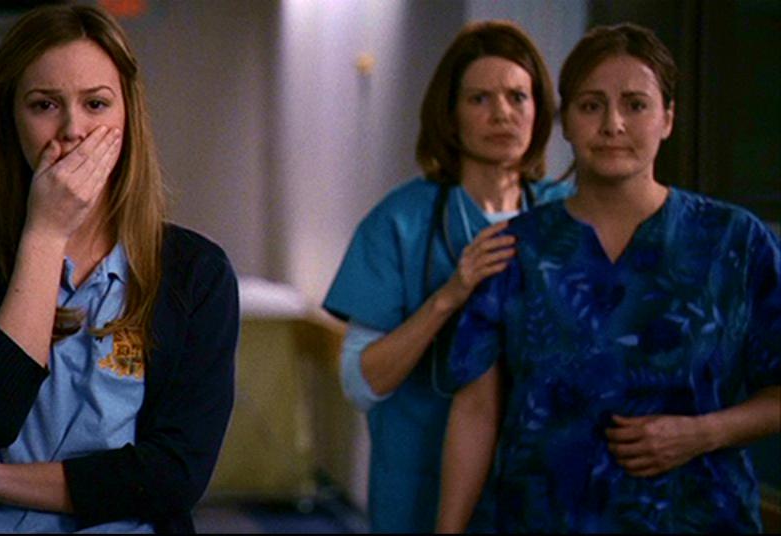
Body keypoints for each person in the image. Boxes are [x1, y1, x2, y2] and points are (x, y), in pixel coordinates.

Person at [437, 22, 781, 533]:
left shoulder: (734, 242)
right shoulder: (515, 249)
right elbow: (476, 410)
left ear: (667, 118)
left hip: (698, 515)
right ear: (566, 123)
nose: (612, 124)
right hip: (542, 519)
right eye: (591, 105)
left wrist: (703, 433)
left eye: (635, 105)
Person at [0, 5, 239, 533]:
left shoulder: (197, 273)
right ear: (11, 118)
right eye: (44, 105)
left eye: (96, 104)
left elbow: (174, 475)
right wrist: (45, 234)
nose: (73, 130)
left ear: (128, 116)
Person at [322, 20, 573, 532]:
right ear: (451, 116)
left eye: (517, 97)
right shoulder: (402, 222)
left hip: (542, 488)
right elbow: (361, 383)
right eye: (480, 99)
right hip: (421, 483)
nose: (502, 113)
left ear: (539, 110)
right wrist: (449, 296)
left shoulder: (566, 217)